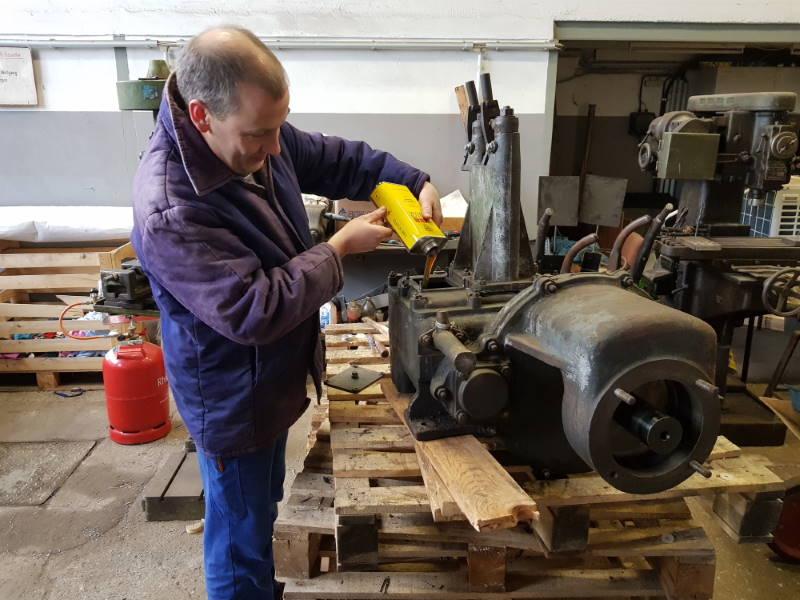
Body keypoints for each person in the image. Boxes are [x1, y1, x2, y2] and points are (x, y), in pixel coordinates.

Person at [130, 26, 441, 600]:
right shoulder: (173, 208)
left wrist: (411, 180)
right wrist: (338, 250)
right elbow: (255, 309)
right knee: (239, 537)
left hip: (269, 381)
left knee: (259, 506)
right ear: (201, 116)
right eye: (260, 134)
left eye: (279, 126)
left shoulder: (252, 136)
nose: (275, 148)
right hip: (232, 395)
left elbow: (336, 158)